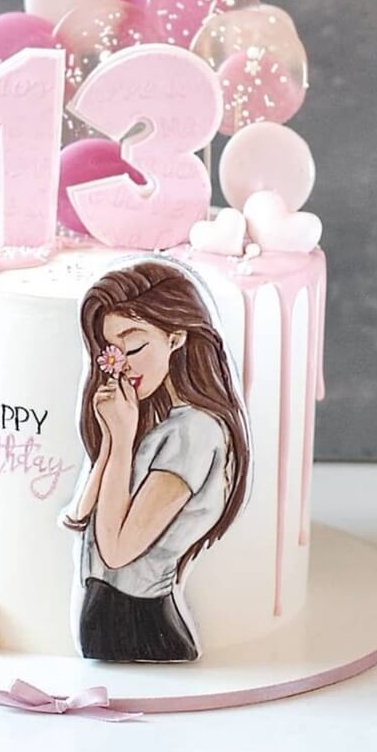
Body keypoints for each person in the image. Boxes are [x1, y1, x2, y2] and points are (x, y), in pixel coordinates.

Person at [63, 259, 251, 662]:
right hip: (110, 611)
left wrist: (123, 439)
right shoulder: (159, 423)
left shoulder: (194, 432)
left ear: (176, 337)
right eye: (113, 352)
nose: (122, 365)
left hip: (140, 620)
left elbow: (117, 551)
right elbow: (78, 515)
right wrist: (113, 439)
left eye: (134, 347)